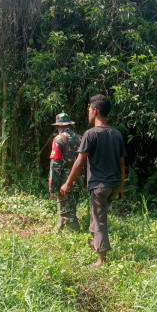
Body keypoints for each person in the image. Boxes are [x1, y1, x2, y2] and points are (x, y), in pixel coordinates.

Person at [60, 94, 126, 266]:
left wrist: (67, 183)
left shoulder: (90, 134)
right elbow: (122, 164)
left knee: (99, 220)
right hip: (113, 185)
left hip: (99, 186)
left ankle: (101, 260)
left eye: (89, 110)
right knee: (96, 217)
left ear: (95, 111)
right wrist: (121, 188)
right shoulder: (116, 134)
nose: (88, 113)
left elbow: (80, 162)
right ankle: (97, 243)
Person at [49, 112, 83, 232]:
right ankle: (57, 232)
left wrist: (52, 187)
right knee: (68, 208)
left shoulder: (58, 139)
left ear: (58, 126)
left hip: (64, 183)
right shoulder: (80, 138)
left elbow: (55, 166)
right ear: (70, 125)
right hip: (78, 181)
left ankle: (75, 238)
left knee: (68, 213)